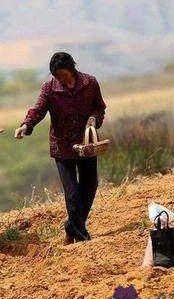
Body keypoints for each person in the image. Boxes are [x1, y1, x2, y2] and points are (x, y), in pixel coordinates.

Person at [14, 52, 106, 244]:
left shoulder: (90, 83)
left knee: (89, 187)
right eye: (56, 75)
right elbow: (38, 110)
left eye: (63, 75)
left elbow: (99, 108)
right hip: (62, 146)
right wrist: (26, 125)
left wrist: (93, 119)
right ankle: (82, 238)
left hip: (85, 144)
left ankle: (71, 226)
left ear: (72, 69)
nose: (60, 79)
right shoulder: (49, 88)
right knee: (72, 192)